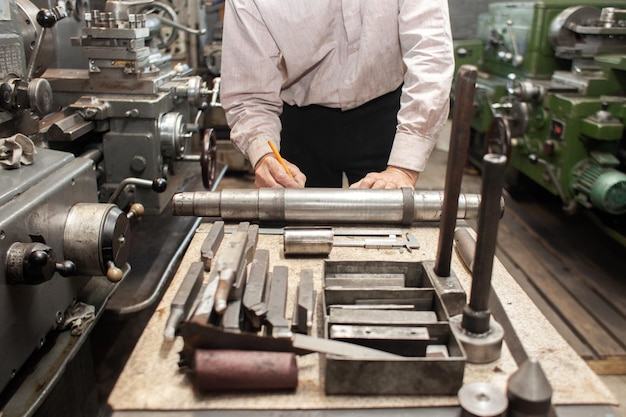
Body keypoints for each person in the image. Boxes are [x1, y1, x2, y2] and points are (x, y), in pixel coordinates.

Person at [220, 0, 454, 189]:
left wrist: (403, 169)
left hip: (384, 116)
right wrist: (264, 154)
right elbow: (249, 90)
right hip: (300, 122)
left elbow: (431, 57)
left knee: (386, 233)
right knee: (301, 234)